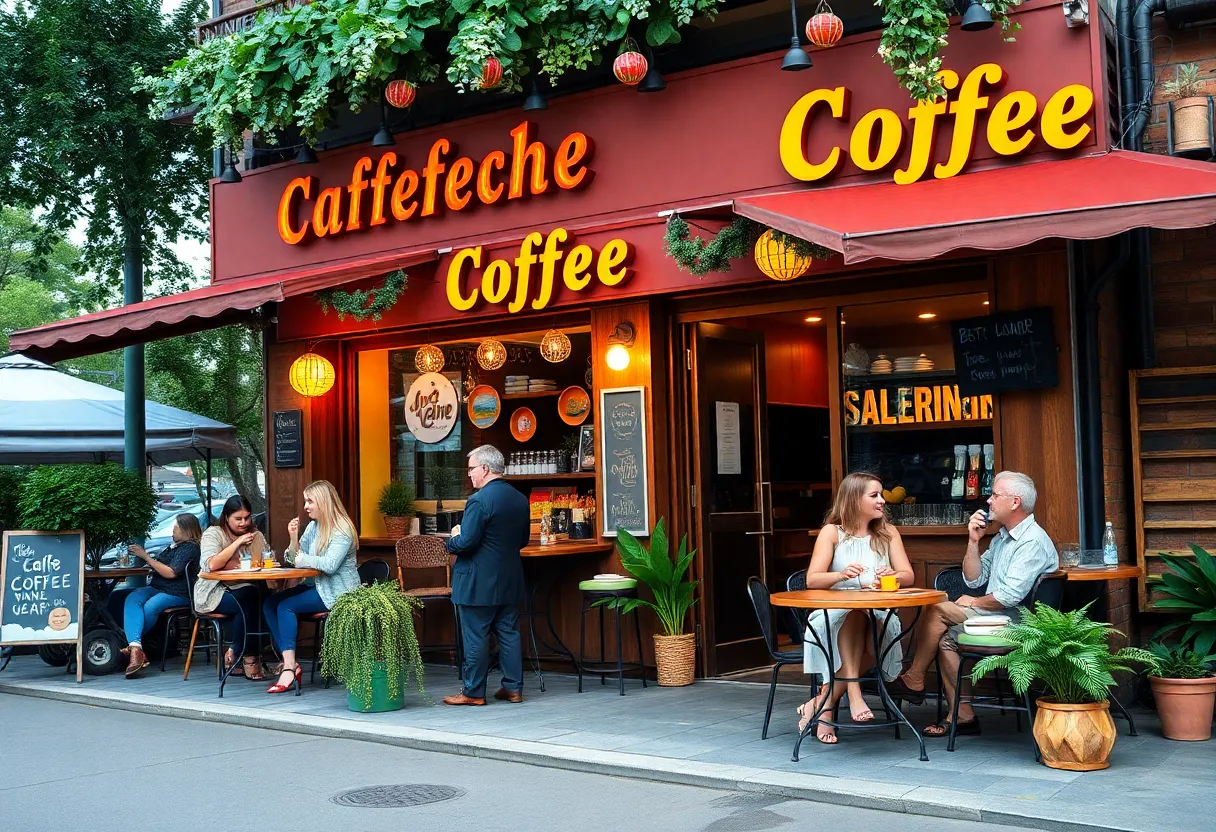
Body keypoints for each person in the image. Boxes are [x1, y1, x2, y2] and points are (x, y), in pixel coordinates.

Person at [888, 471, 1059, 737]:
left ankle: (915, 679)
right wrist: (973, 540)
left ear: (1015, 502)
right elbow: (973, 577)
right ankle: (961, 714)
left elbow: (1007, 598)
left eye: (995, 495)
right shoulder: (1004, 537)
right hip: (997, 618)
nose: (989, 501)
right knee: (946, 637)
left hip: (1017, 624)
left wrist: (976, 600)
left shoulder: (1032, 541)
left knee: (937, 610)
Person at [795, 473, 915, 744]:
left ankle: (822, 705)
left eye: (881, 494)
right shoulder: (832, 533)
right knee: (855, 616)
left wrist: (893, 575)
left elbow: (908, 576)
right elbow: (813, 579)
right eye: (874, 495)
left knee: (864, 620)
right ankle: (854, 695)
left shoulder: (888, 533)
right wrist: (842, 576)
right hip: (834, 613)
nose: (882, 500)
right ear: (853, 499)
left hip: (878, 614)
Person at [442, 445, 530, 706]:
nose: (469, 475)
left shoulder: (479, 500)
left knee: (476, 636)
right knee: (509, 633)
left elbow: (466, 542)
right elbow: (523, 539)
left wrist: (452, 538)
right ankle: (513, 688)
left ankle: (473, 692)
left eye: (471, 469)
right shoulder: (519, 498)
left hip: (477, 582)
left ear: (485, 468)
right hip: (509, 578)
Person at [263, 480, 359, 695]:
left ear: (323, 502)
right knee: (270, 603)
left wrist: (303, 558)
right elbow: (292, 558)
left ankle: (289, 667)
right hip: (316, 587)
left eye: (309, 501)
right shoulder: (314, 527)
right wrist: (293, 537)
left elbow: (330, 565)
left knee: (285, 606)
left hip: (337, 592)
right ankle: (291, 661)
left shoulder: (342, 530)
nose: (305, 506)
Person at [121, 513, 203, 678]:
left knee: (150, 606)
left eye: (176, 527)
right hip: (158, 587)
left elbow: (171, 573)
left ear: (186, 530)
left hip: (178, 592)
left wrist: (145, 556)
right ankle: (136, 647)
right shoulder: (173, 546)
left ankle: (131, 644)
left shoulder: (190, 548)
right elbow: (160, 565)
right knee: (131, 597)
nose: (173, 530)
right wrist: (152, 563)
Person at [194, 495, 266, 680]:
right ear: (226, 517)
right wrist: (236, 544)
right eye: (238, 519)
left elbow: (264, 560)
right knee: (252, 601)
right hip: (212, 591)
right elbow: (210, 564)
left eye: (247, 517)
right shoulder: (214, 533)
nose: (244, 523)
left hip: (245, 587)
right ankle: (248, 658)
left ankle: (235, 651)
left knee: (264, 599)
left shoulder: (255, 535)